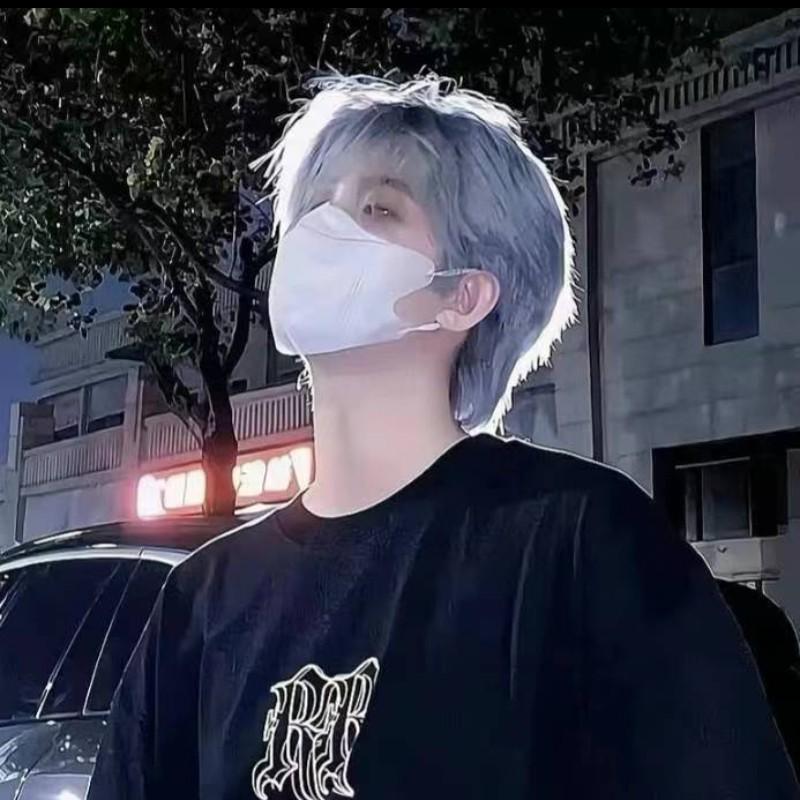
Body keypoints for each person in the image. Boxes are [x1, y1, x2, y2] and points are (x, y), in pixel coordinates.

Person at [87, 75, 800, 799]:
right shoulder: (201, 601)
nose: (322, 231)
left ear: (464, 294)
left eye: (377, 207)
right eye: (314, 206)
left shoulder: (579, 540)